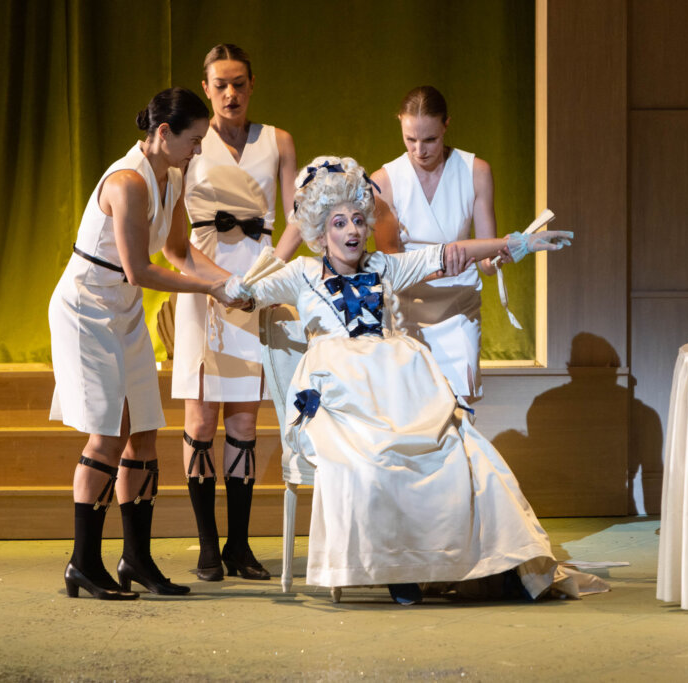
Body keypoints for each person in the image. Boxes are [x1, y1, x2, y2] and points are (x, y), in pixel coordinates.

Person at [234, 156, 600, 604]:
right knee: (366, 463)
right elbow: (248, 295)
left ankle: (458, 563)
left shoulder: (385, 267)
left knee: (463, 452)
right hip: (340, 394)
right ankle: (395, 570)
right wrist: (231, 289)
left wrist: (514, 242)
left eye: (357, 220)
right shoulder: (302, 274)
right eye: (338, 223)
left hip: (399, 387)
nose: (351, 230)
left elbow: (448, 254)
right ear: (320, 233)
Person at [49, 87, 249, 600]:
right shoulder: (128, 181)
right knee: (108, 436)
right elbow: (139, 269)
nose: (198, 149)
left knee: (143, 432)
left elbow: (180, 251)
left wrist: (231, 282)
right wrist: (211, 289)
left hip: (124, 309)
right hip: (87, 308)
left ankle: (136, 558)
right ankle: (82, 562)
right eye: (193, 140)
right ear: (163, 133)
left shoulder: (172, 176)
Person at [171, 44, 301, 582]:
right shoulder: (192, 142)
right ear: (206, 88)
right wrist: (218, 283)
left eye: (239, 83)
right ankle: (207, 544)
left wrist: (268, 274)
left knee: (245, 419)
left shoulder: (278, 141)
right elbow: (172, 236)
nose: (231, 94)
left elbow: (299, 217)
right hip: (204, 283)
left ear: (252, 84)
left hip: (258, 283)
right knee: (201, 418)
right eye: (221, 85)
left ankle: (239, 544)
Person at [371, 85, 499, 405]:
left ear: (446, 125)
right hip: (408, 306)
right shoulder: (384, 181)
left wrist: (501, 254)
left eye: (429, 139)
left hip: (458, 306)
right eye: (410, 139)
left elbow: (487, 261)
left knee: (460, 406)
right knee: (413, 408)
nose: (419, 150)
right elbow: (390, 264)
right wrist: (438, 268)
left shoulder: (476, 172)